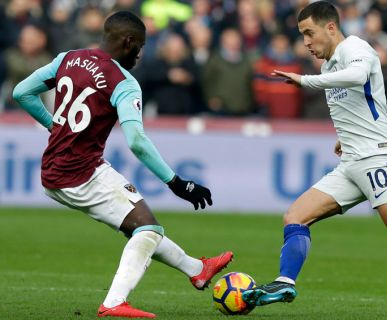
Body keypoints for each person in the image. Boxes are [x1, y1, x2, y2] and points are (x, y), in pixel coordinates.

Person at [241, 1, 387, 315]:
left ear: (330, 27)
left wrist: (305, 80)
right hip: (353, 161)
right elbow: (363, 102)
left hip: (380, 156)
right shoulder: (328, 66)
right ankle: (286, 281)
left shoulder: (357, 48)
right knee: (295, 216)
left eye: (309, 33)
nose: (306, 43)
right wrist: (345, 138)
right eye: (302, 36)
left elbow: (356, 76)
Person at [12, 11, 233, 318]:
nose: (141, 54)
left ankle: (198, 269)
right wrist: (177, 182)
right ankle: (114, 301)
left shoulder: (68, 58)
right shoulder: (123, 82)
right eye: (140, 46)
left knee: (139, 227)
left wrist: (54, 126)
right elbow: (137, 142)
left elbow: (21, 92)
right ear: (129, 41)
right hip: (82, 173)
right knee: (149, 228)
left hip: (53, 170)